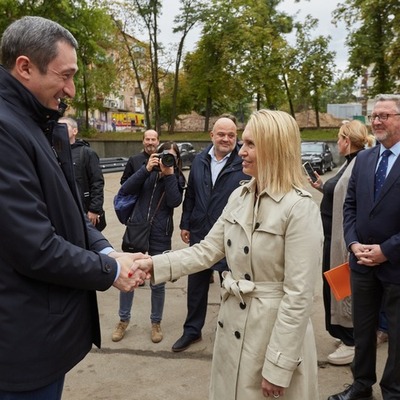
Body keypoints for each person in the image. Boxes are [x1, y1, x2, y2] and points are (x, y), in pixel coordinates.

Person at [0, 16, 144, 399]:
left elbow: (65, 209)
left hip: (43, 341)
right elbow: (35, 247)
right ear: (25, 67)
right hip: (23, 352)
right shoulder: (6, 130)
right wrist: (111, 270)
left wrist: (105, 250)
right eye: (65, 76)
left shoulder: (32, 124)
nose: (71, 89)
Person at [135, 109, 324, 399]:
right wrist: (152, 264)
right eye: (243, 143)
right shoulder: (240, 196)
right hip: (233, 328)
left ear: (274, 149)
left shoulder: (300, 208)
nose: (241, 151)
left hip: (272, 337)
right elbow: (207, 250)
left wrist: (279, 366)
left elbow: (299, 296)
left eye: (250, 144)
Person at [329, 94, 400, 400]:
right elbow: (350, 206)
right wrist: (353, 243)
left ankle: (393, 390)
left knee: (397, 335)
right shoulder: (365, 159)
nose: (377, 121)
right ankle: (361, 385)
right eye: (374, 116)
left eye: (385, 115)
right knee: (363, 329)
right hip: (361, 263)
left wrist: (387, 250)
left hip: (396, 264)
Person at [172, 116, 249, 352]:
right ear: (212, 135)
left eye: (231, 135)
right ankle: (192, 331)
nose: (226, 139)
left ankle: (231, 334)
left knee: (231, 288)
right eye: (221, 134)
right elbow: (191, 195)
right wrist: (186, 223)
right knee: (196, 287)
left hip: (231, 235)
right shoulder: (199, 160)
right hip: (200, 233)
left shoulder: (243, 162)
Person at [308, 120, 374, 366]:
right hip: (332, 237)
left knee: (343, 288)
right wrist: (323, 187)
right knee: (335, 286)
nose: (337, 142)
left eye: (339, 138)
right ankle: (345, 334)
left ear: (347, 141)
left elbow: (354, 203)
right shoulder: (350, 163)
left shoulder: (360, 164)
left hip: (342, 240)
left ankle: (351, 341)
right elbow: (341, 195)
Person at [112, 142, 186, 343]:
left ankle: (156, 323)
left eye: (172, 157)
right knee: (128, 274)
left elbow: (174, 201)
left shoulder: (177, 178)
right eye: (164, 155)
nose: (167, 160)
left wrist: (169, 175)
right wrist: (145, 169)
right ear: (157, 156)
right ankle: (123, 320)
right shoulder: (147, 172)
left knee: (157, 282)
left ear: (177, 160)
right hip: (137, 230)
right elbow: (125, 189)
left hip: (160, 235)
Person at [60, 116, 106, 231]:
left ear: (75, 131)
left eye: (63, 127)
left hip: (84, 211)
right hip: (63, 212)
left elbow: (97, 182)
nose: (59, 130)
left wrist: (94, 209)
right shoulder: (53, 153)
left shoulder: (86, 153)